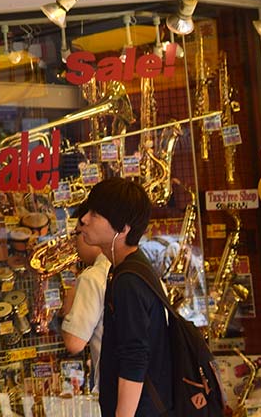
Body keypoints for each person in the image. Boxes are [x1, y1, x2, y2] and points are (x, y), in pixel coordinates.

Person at [76, 178, 172, 417]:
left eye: (95, 214)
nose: (84, 219)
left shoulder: (128, 280)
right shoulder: (130, 269)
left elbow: (135, 357)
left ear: (123, 229)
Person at [61, 220, 111, 387]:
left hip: (114, 388)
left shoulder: (92, 278)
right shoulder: (142, 270)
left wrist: (70, 297)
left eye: (76, 234)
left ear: (89, 234)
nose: (74, 242)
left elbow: (74, 343)